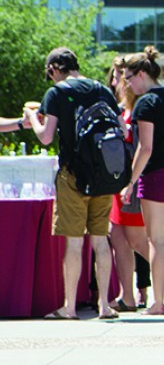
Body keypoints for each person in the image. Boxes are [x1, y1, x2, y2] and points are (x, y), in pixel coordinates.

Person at [25, 47, 121, 320]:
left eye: (50, 74)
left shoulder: (56, 93)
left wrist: (33, 117)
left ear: (55, 68)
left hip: (73, 176)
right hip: (103, 176)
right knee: (101, 241)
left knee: (75, 242)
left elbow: (45, 137)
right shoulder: (102, 90)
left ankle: (69, 307)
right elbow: (121, 131)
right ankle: (104, 305)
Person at [119, 47, 164, 315]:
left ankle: (158, 303)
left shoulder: (146, 103)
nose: (127, 83)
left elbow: (146, 147)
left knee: (157, 241)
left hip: (158, 176)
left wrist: (130, 182)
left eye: (129, 77)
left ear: (141, 74)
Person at [105, 56, 149, 312]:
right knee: (118, 239)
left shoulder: (140, 109)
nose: (116, 82)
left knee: (138, 241)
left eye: (120, 77)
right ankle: (127, 296)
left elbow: (142, 148)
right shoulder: (121, 109)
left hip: (132, 182)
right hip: (118, 181)